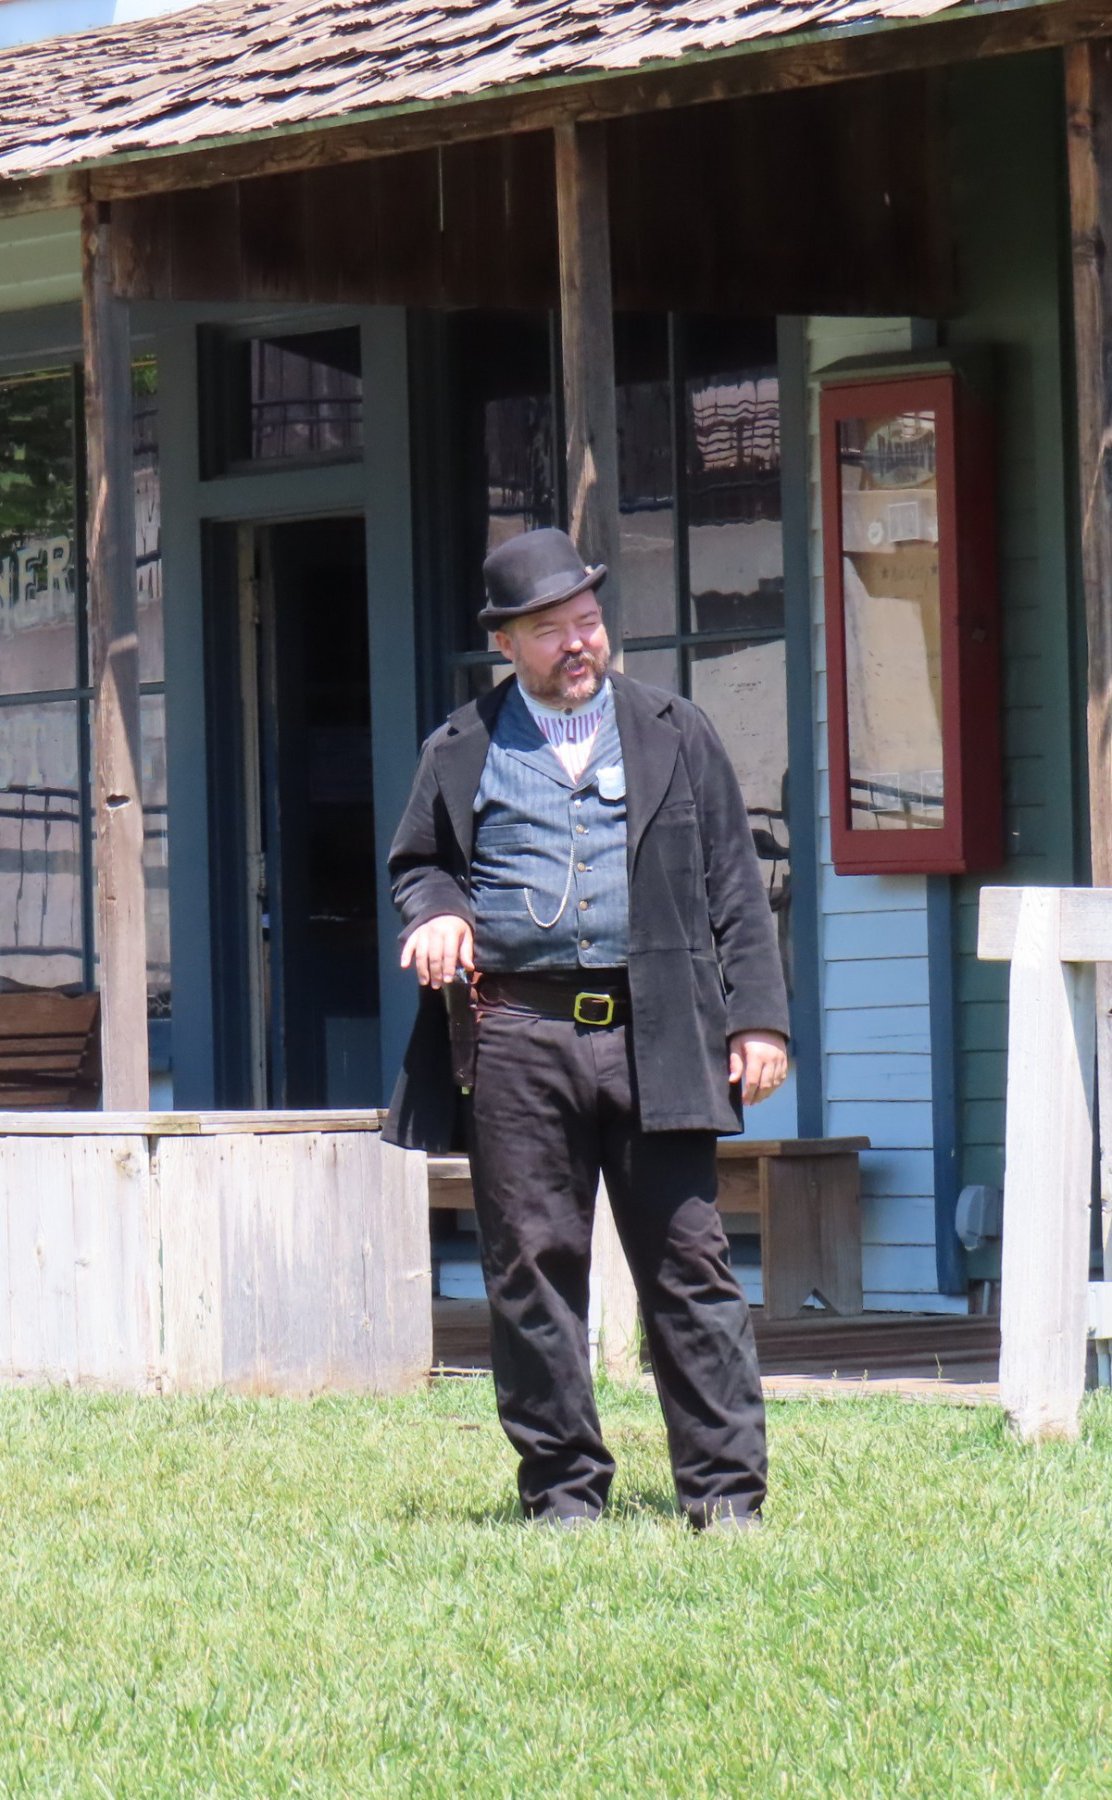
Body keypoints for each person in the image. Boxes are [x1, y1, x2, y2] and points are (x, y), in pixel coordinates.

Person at [384, 526, 790, 1531]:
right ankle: (564, 1495)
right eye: (551, 630)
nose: (578, 643)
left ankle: (726, 1499)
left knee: (690, 1266)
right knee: (531, 1271)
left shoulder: (673, 730)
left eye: (588, 621)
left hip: (661, 1033)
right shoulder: (460, 746)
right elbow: (420, 864)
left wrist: (759, 1021)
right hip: (517, 1037)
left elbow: (737, 886)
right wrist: (439, 912)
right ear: (508, 646)